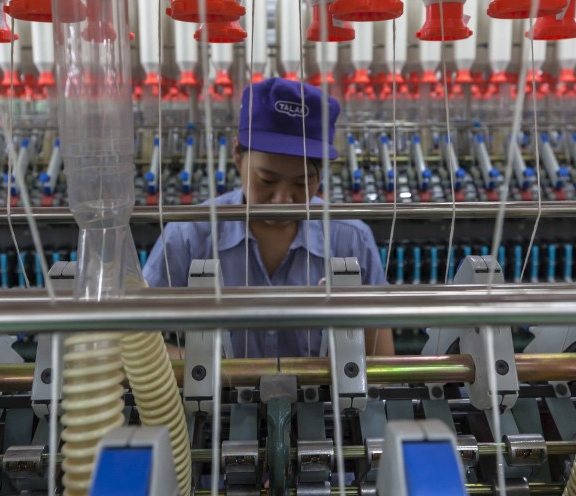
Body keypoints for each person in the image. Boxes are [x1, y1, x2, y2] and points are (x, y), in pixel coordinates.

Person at [143, 77, 394, 358]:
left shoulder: (351, 238)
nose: (283, 201)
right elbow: (134, 340)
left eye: (303, 184)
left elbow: (380, 358)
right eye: (266, 180)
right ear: (237, 155)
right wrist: (206, 368)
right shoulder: (189, 235)